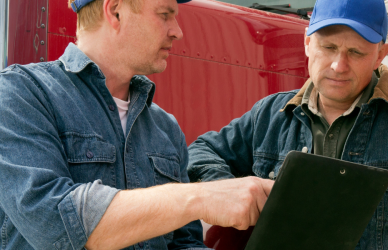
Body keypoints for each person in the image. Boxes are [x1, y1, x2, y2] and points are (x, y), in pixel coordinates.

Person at [0, 0, 274, 249]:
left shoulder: (165, 128)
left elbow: (182, 244)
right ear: (115, 11)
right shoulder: (20, 93)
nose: (177, 31)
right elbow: (55, 223)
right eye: (165, 14)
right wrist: (199, 197)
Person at [188, 0, 388, 248]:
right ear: (307, 42)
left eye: (356, 52)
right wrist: (227, 189)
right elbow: (200, 151)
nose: (339, 66)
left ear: (380, 54)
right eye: (328, 47)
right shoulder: (270, 115)